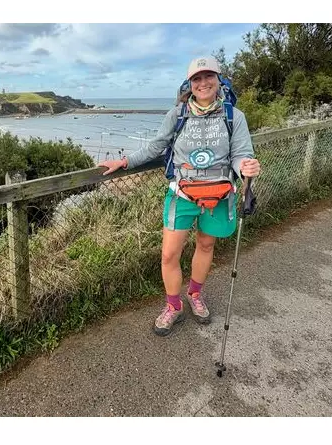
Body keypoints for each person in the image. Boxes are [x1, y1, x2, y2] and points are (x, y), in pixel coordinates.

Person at [98, 56, 261, 336]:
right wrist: (124, 161)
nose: (203, 83)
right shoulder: (178, 114)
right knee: (169, 254)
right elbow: (156, 147)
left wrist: (246, 166)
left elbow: (240, 155)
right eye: (197, 78)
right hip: (182, 194)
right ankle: (173, 306)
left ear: (219, 80)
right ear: (189, 84)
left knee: (206, 246)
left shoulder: (234, 116)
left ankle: (195, 294)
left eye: (209, 76)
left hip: (219, 195)